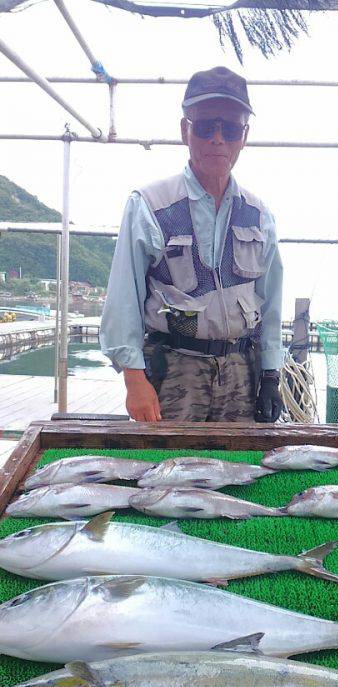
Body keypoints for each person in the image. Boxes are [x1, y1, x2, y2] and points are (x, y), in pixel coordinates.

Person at [100, 66, 284, 424]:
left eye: (230, 129)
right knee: (168, 471)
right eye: (205, 126)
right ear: (186, 130)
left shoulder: (260, 215)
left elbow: (272, 304)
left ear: (243, 136)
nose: (218, 139)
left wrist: (271, 375)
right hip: (172, 370)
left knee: (236, 474)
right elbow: (124, 299)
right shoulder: (148, 205)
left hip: (241, 372)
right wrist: (134, 381)